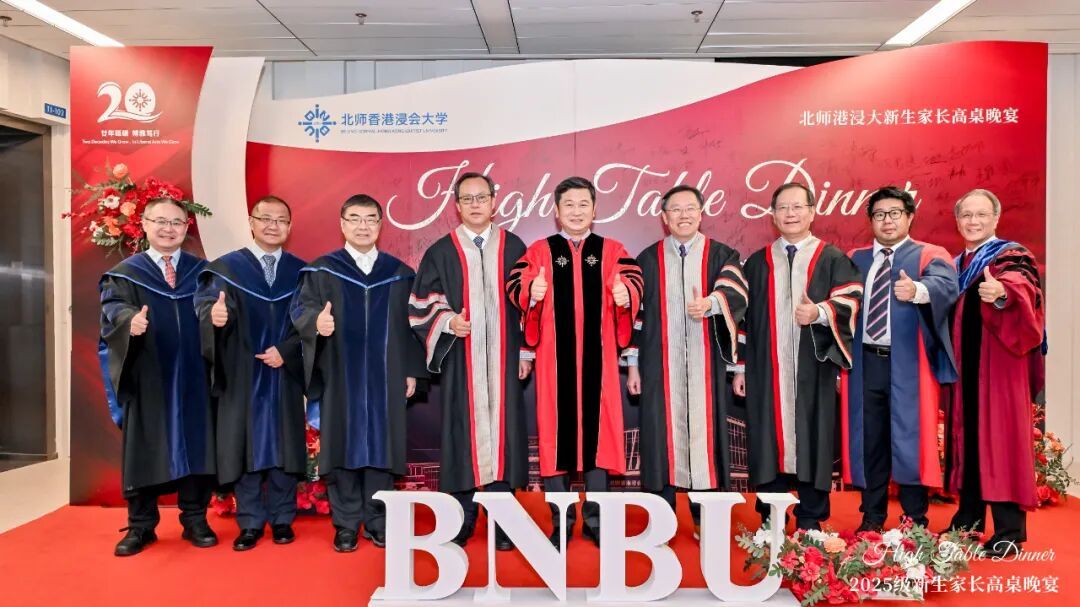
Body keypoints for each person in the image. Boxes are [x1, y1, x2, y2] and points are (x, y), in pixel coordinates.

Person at [506, 176, 643, 547]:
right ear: (556, 210)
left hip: (599, 364)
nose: (577, 211)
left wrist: (626, 294)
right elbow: (516, 283)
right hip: (554, 364)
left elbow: (634, 279)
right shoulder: (540, 251)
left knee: (598, 439)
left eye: (584, 204)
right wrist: (530, 292)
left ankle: (597, 521)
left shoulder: (611, 250)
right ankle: (562, 521)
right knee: (556, 440)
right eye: (569, 204)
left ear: (595, 210)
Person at [291, 194, 427, 552]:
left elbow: (412, 325)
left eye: (370, 219)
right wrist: (315, 323)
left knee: (382, 448)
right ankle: (347, 523)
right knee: (342, 447)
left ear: (381, 225)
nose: (363, 226)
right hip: (340, 373)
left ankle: (378, 521)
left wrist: (411, 370)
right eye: (354, 218)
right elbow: (301, 309)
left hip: (386, 374)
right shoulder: (322, 272)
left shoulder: (399, 274)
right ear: (342, 224)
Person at [409, 172, 532, 549]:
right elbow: (422, 304)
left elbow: (530, 304)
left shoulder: (514, 246)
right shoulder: (441, 251)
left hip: (505, 359)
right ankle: (462, 517)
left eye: (482, 197)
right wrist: (449, 321)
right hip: (462, 361)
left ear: (494, 202)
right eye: (467, 199)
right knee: (463, 434)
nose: (475, 205)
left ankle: (503, 520)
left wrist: (525, 350)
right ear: (457, 206)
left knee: (504, 435)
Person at [735, 182, 862, 531]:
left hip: (814, 368)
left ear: (812, 212)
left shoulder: (832, 258)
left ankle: (810, 519)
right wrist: (740, 367)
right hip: (766, 370)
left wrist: (820, 312)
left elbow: (851, 299)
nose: (790, 214)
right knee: (767, 440)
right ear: (773, 215)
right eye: (783, 208)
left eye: (797, 207)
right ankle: (771, 519)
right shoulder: (757, 263)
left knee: (814, 437)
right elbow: (743, 319)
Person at [624, 185, 747, 537]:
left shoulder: (722, 255)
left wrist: (711, 303)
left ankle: (703, 518)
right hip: (658, 366)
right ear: (664, 217)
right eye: (675, 210)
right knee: (660, 437)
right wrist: (632, 365)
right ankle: (662, 519)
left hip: (707, 366)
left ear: (701, 213)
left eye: (690, 208)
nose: (683, 215)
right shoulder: (648, 259)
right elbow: (636, 319)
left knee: (705, 440)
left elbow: (739, 300)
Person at [99, 197, 217, 556]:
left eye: (177, 222)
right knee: (145, 446)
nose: (169, 229)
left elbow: (217, 309)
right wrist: (128, 321)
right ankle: (141, 526)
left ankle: (195, 519)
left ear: (186, 228)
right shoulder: (126, 274)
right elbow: (113, 307)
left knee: (198, 443)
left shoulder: (203, 272)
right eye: (160, 221)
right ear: (145, 225)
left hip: (195, 374)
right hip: (148, 374)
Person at [840, 186, 958, 532]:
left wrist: (918, 290)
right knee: (870, 440)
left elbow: (946, 286)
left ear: (909, 217)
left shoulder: (928, 254)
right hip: (865, 364)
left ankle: (914, 519)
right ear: (870, 220)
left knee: (911, 439)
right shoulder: (856, 258)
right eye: (879, 214)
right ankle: (872, 517)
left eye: (895, 213)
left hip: (910, 364)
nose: (887, 221)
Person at [195, 195, 307, 551]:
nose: (273, 225)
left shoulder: (303, 273)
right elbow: (207, 305)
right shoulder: (227, 270)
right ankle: (250, 522)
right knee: (245, 445)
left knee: (284, 446)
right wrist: (213, 318)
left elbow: (311, 320)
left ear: (289, 226)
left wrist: (286, 351)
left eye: (281, 220)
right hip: (242, 372)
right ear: (252, 222)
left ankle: (283, 518)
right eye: (265, 218)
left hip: (284, 372)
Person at [943, 188, 1043, 557]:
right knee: (968, 440)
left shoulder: (1010, 256)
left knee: (1001, 441)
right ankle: (968, 521)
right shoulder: (955, 264)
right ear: (958, 221)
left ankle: (1008, 532)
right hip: (965, 372)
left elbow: (1022, 286)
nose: (973, 221)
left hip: (999, 369)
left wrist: (1001, 293)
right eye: (966, 215)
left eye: (981, 214)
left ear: (996, 218)